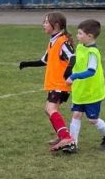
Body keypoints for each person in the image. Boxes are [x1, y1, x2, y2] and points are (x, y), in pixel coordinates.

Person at [18, 12, 77, 153]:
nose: (43, 25)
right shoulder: (53, 41)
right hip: (55, 84)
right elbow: (44, 60)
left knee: (51, 109)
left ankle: (66, 137)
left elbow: (73, 57)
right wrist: (27, 64)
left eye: (46, 22)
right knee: (48, 109)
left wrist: (68, 71)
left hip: (60, 84)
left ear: (55, 25)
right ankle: (62, 135)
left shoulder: (63, 41)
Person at [65, 19, 105, 150]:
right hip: (80, 90)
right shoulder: (81, 47)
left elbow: (91, 71)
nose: (77, 36)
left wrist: (73, 76)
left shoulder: (93, 53)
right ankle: (72, 143)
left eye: (80, 33)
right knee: (76, 115)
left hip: (92, 92)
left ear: (90, 36)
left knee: (92, 120)